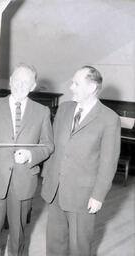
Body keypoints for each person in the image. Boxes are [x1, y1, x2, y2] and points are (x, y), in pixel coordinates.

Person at [41, 66, 121, 256]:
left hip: (83, 197)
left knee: (80, 248)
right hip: (56, 189)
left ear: (92, 87)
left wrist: (98, 195)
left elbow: (108, 162)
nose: (71, 88)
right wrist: (46, 176)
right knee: (54, 245)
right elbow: (54, 147)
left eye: (76, 83)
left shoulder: (109, 119)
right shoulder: (64, 108)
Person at [0, 63, 54, 256]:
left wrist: (31, 155)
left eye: (26, 82)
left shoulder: (42, 112)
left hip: (24, 182)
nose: (20, 85)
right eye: (17, 80)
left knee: (18, 234)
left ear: (33, 86)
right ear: (10, 81)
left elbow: (48, 145)